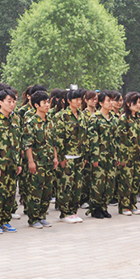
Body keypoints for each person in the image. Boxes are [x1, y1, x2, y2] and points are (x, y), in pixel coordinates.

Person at [0, 89, 22, 233]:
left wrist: (18, 163)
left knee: (10, 194)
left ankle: (6, 220)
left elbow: (18, 142)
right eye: (9, 101)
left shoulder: (15, 119)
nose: (12, 104)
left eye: (14, 101)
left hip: (12, 164)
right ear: (0, 102)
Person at [23, 91, 58, 228]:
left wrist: (55, 157)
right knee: (35, 191)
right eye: (44, 102)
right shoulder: (31, 122)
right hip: (37, 163)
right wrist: (31, 162)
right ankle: (33, 219)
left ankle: (42, 215)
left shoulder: (50, 121)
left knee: (47, 191)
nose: (47, 105)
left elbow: (53, 141)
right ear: (36, 105)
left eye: (48, 102)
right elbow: (28, 145)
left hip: (48, 162)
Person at [55, 89, 88, 223]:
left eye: (80, 99)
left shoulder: (82, 115)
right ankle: (65, 212)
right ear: (69, 101)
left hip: (79, 156)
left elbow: (85, 136)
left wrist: (85, 155)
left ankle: (73, 211)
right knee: (66, 185)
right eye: (76, 99)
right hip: (67, 156)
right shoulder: (62, 116)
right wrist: (61, 157)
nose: (79, 102)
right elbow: (59, 138)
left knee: (77, 185)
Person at [87, 91, 116, 219]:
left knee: (110, 184)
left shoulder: (113, 118)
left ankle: (104, 207)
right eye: (108, 100)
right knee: (98, 183)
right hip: (100, 156)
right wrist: (94, 157)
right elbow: (93, 139)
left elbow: (116, 139)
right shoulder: (95, 118)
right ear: (101, 103)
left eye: (112, 100)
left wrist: (117, 156)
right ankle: (95, 208)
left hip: (111, 156)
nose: (111, 103)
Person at [116, 92, 140, 216]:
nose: (138, 105)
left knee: (136, 181)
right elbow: (121, 139)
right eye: (135, 102)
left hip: (138, 155)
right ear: (128, 103)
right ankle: (124, 206)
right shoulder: (123, 119)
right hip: (127, 156)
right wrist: (123, 157)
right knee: (126, 181)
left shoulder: (139, 118)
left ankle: (133, 204)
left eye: (139, 103)